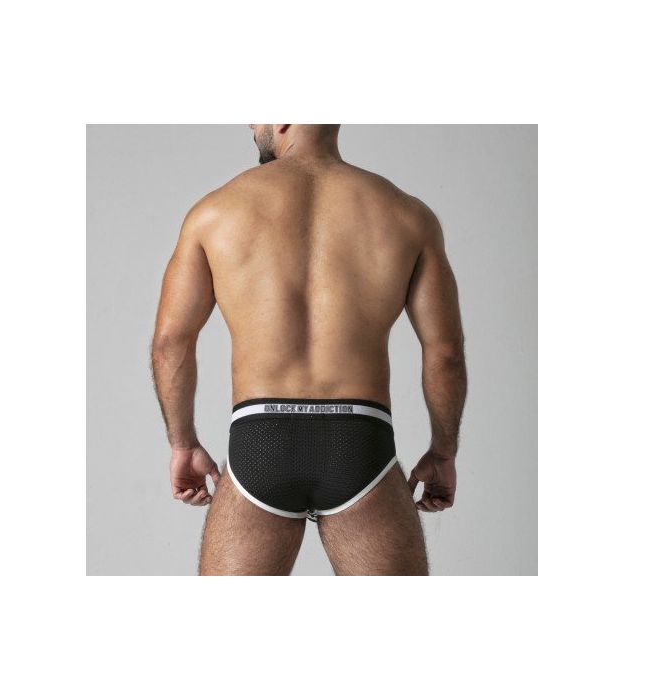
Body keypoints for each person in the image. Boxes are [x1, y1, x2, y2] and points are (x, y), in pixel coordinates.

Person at [151, 125, 467, 575]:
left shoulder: (214, 212)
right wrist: (443, 450)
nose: (252, 124)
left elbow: (171, 342)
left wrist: (183, 444)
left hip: (260, 439)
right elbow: (445, 352)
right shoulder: (408, 215)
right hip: (360, 442)